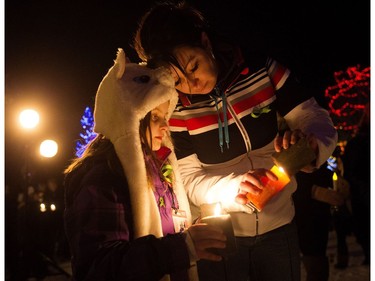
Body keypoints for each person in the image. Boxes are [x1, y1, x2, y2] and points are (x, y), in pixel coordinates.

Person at [133, 2, 338, 281]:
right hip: (221, 236)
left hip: (281, 228)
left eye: (194, 66)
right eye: (178, 80)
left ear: (205, 42)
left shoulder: (261, 70)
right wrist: (234, 187)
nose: (193, 84)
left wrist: (312, 145)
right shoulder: (177, 110)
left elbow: (314, 116)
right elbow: (189, 179)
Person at [63, 49, 227, 281]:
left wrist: (194, 231)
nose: (165, 127)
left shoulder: (158, 170)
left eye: (166, 117)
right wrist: (183, 247)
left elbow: (167, 228)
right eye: (155, 117)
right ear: (128, 117)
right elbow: (99, 268)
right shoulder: (101, 178)